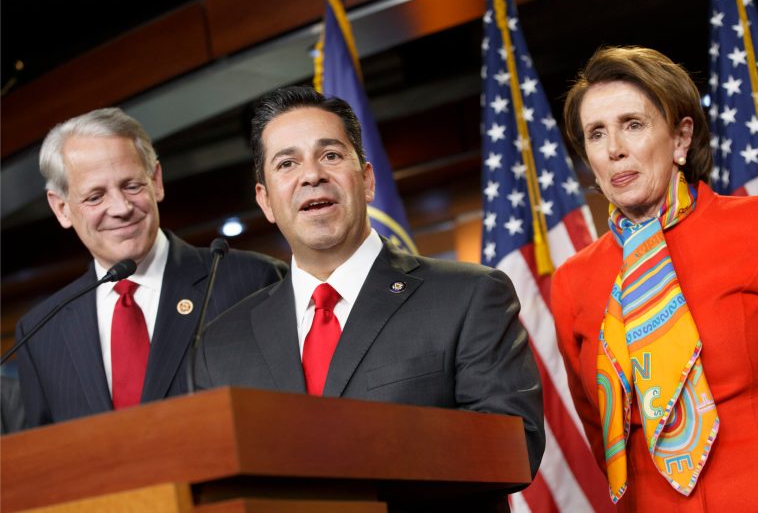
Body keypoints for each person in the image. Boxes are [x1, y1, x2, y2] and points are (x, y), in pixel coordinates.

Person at [194, 86, 544, 510]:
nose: (311, 175)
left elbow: (514, 448)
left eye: (330, 156)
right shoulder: (221, 344)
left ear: (367, 180)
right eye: (287, 163)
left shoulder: (469, 296)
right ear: (266, 201)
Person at [553, 46, 758, 512]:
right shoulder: (573, 280)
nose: (615, 149)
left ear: (680, 138)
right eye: (596, 134)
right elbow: (596, 425)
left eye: (633, 124)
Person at [15, 108, 287, 428]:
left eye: (131, 185)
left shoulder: (248, 281)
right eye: (95, 196)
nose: (121, 208)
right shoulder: (41, 332)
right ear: (61, 208)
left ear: (156, 181)